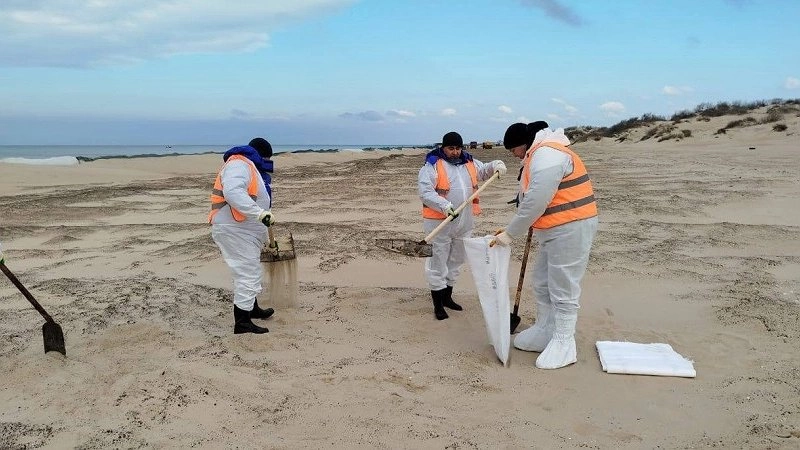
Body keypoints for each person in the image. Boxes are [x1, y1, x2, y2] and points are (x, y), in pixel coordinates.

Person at [492, 122, 598, 369]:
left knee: (563, 286)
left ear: (523, 144)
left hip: (571, 226)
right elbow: (529, 197)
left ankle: (564, 341)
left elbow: (537, 199)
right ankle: (545, 328)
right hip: (554, 229)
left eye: (513, 150)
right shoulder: (537, 155)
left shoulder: (548, 154)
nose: (514, 155)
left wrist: (510, 233)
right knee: (542, 281)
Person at [418, 131, 507, 320]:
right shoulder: (432, 165)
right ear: (443, 147)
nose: (455, 152)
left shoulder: (469, 162)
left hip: (464, 221)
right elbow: (425, 192)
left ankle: (447, 297)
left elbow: (485, 171)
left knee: (456, 260)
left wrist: (496, 165)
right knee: (438, 262)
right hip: (440, 222)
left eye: (458, 148)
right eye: (451, 148)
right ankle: (438, 304)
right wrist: (444, 206)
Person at [209, 137, 277, 334]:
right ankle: (242, 323)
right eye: (267, 158)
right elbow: (233, 192)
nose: (267, 163)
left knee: (250, 270)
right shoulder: (239, 164)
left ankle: (251, 308)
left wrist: (266, 237)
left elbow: (256, 200)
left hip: (243, 230)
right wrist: (259, 213)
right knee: (247, 273)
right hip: (234, 229)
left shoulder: (250, 167)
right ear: (261, 154)